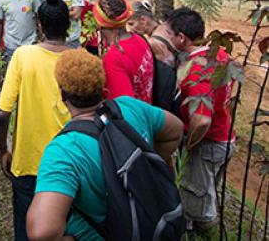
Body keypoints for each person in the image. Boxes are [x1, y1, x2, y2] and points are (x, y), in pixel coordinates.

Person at [26, 49, 183, 241]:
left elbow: (41, 232)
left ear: (61, 93)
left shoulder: (65, 150)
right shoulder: (131, 106)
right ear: (103, 86)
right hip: (151, 224)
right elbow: (176, 129)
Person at [0, 0, 72, 240]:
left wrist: (2, 151)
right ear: (68, 25)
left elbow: (2, 113)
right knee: (67, 226)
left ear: (38, 25)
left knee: (26, 227)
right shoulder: (79, 59)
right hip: (69, 159)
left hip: (29, 160)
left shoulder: (23, 56)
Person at [166, 7, 234, 232]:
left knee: (198, 201)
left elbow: (202, 121)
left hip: (208, 143)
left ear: (182, 38)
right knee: (207, 190)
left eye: (170, 33)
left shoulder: (197, 70)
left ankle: (207, 232)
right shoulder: (220, 54)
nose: (168, 37)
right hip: (224, 136)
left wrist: (191, 144)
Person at [94, 0, 155, 104]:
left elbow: (124, 106)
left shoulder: (113, 58)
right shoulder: (139, 40)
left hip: (132, 119)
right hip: (145, 112)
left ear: (99, 24)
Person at [128, 0, 178, 67]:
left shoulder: (152, 43)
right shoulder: (166, 27)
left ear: (143, 20)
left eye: (131, 24)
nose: (131, 30)